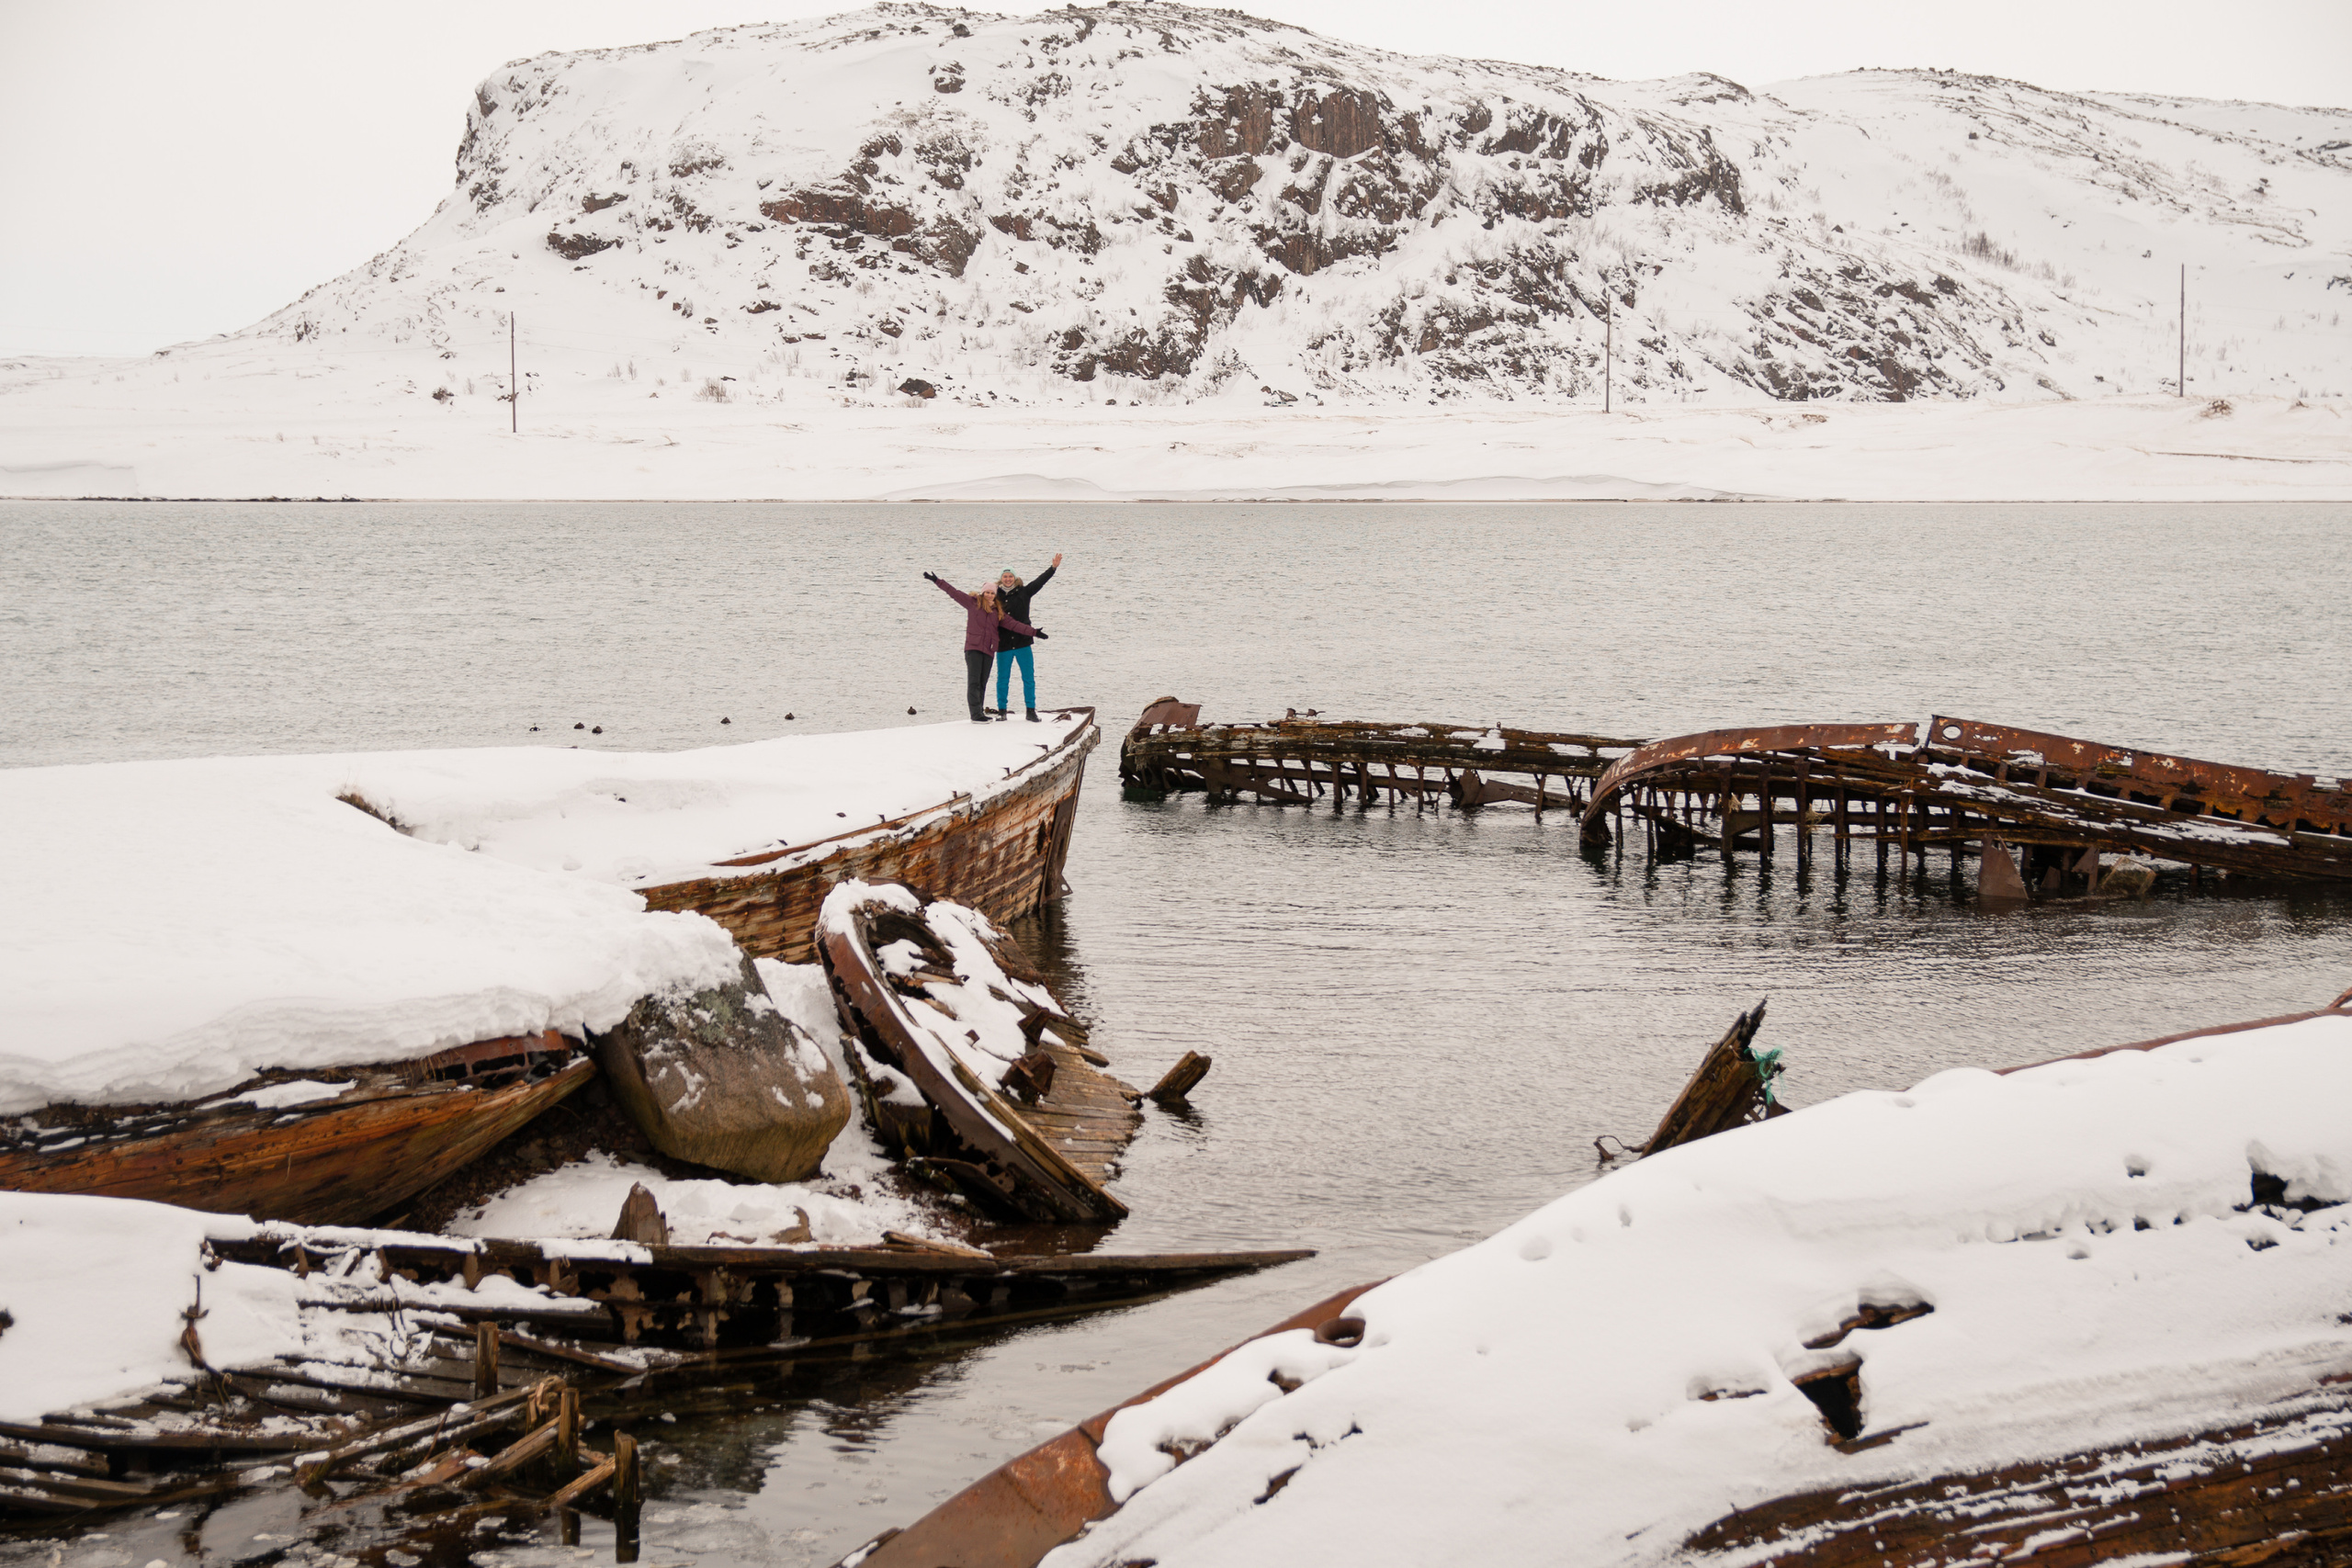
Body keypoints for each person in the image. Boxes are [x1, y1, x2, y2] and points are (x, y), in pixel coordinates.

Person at [923, 572, 1046, 722]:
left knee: (982, 682)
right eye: (987, 592)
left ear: (995, 595)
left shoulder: (998, 612)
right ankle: (975, 715)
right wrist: (937, 580)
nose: (989, 595)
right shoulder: (972, 603)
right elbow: (954, 593)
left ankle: (980, 712)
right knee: (974, 681)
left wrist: (1034, 632)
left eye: (992, 593)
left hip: (988, 650)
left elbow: (1014, 625)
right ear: (983, 593)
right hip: (973, 648)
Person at [992, 553, 1062, 721]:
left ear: (1015, 578)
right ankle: (1002, 711)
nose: (1008, 579)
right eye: (1005, 576)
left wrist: (1053, 568)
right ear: (1001, 579)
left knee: (1028, 678)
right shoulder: (994, 595)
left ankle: (1030, 710)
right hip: (1003, 644)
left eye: (1010, 576)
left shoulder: (1024, 592)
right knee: (1002, 679)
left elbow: (1040, 582)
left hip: (1023, 642)